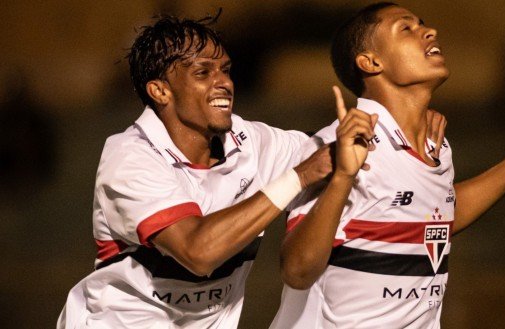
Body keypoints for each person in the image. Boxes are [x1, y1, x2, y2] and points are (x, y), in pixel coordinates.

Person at [270, 2, 505, 328]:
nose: (430, 31)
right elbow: (297, 270)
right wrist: (344, 173)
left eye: (422, 25)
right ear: (371, 61)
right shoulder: (337, 145)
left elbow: (437, 217)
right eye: (406, 28)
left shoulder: (437, 144)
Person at [56, 14, 337, 328]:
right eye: (203, 71)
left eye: (226, 70)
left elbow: (325, 150)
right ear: (160, 91)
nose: (224, 83)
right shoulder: (130, 156)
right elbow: (198, 252)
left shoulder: (249, 142)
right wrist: (298, 177)